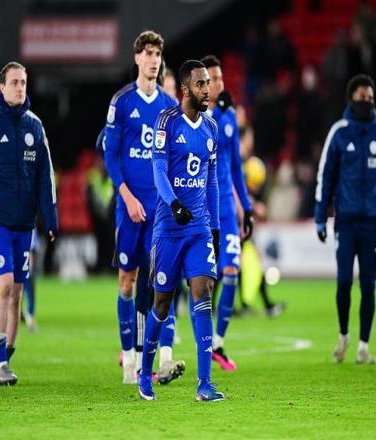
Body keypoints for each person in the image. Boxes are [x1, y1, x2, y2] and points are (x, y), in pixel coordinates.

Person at [138, 59, 224, 402]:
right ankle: (145, 374)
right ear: (186, 89)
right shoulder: (167, 122)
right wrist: (173, 203)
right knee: (161, 303)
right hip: (169, 230)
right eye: (201, 84)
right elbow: (159, 170)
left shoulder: (211, 128)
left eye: (208, 83)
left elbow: (212, 182)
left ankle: (205, 384)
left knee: (203, 292)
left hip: (198, 228)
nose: (207, 89)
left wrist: (214, 228)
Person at [0, 61, 58, 385]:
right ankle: (0, 363)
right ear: (2, 87)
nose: (20, 87)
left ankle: (7, 356)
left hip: (25, 225)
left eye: (23, 82)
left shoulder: (35, 126)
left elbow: (45, 178)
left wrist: (50, 218)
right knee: (4, 286)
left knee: (17, 293)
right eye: (15, 82)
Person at [103, 30, 184, 384]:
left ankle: (164, 357)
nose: (153, 60)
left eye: (157, 54)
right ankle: (130, 359)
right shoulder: (121, 102)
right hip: (129, 209)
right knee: (128, 281)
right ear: (137, 58)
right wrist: (127, 197)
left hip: (160, 210)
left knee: (163, 279)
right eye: (148, 54)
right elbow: (110, 155)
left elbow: (176, 157)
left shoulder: (169, 105)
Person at [314, 74, 376, 364]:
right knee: (343, 283)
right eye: (362, 97)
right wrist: (320, 216)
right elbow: (325, 176)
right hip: (345, 222)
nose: (367, 102)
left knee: (368, 285)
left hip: (371, 224)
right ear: (351, 99)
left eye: (370, 98)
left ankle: (364, 346)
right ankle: (344, 335)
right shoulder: (339, 133)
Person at [199, 55, 253, 371]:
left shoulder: (229, 116)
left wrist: (247, 206)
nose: (219, 84)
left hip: (227, 213)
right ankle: (198, 341)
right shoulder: (195, 116)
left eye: (220, 78)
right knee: (202, 281)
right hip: (202, 211)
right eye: (213, 79)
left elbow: (235, 168)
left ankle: (218, 342)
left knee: (232, 271)